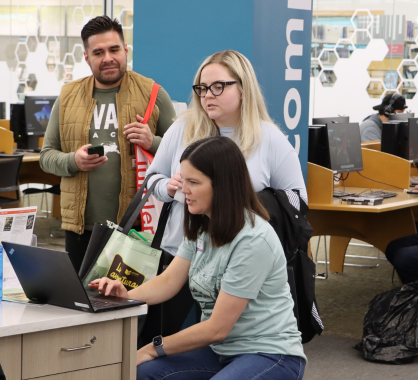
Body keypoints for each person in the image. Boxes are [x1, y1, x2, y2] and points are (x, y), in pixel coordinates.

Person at [89, 136, 307, 380]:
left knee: (148, 360)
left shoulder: (254, 240)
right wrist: (126, 297)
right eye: (184, 180)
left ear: (222, 186)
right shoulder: (203, 225)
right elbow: (169, 281)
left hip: (271, 354)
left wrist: (153, 348)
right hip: (221, 351)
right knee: (144, 373)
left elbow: (217, 329)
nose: (184, 190)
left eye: (193, 182)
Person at [40, 16, 176, 272]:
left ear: (126, 50)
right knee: (83, 305)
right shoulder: (68, 96)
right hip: (80, 228)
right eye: (98, 52)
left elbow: (187, 155)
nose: (108, 58)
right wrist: (73, 161)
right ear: (86, 57)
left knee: (133, 304)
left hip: (136, 227)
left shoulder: (153, 94)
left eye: (114, 49)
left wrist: (152, 142)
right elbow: (46, 156)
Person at [146, 50, 307, 257]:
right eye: (202, 88)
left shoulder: (270, 138)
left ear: (243, 89)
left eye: (218, 87)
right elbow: (151, 179)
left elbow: (298, 202)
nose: (208, 95)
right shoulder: (182, 128)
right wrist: (167, 188)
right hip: (180, 255)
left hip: (243, 259)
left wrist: (245, 201)